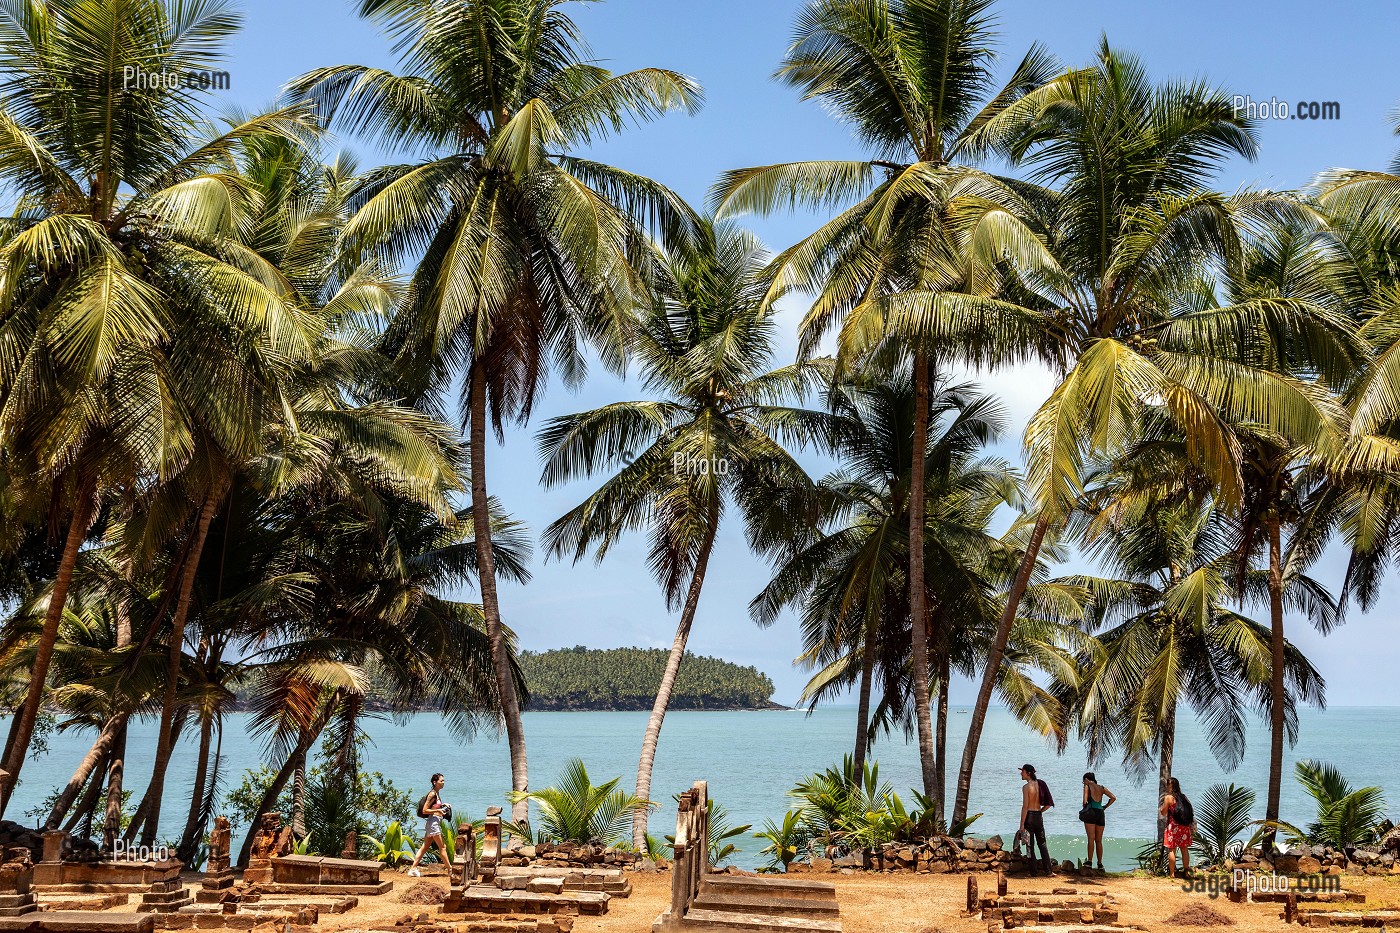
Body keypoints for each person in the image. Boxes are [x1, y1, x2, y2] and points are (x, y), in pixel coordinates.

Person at [408, 773, 453, 877]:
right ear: (435, 782)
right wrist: (439, 810)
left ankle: (412, 869)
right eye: (441, 781)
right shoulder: (432, 794)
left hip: (433, 823)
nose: (443, 783)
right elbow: (425, 810)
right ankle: (450, 870)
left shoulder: (436, 793)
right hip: (433, 823)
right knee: (442, 847)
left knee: (424, 847)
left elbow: (433, 807)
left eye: (443, 781)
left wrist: (443, 805)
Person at [1019, 764, 1053, 875]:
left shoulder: (1026, 787)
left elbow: (1025, 807)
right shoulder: (1041, 784)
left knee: (1030, 845)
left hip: (1029, 816)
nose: (1021, 773)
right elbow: (1048, 804)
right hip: (1038, 816)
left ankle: (1033, 872)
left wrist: (1022, 824)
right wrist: (1040, 812)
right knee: (1042, 844)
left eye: (1022, 771)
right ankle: (1049, 871)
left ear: (1028, 773)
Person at [1160, 776, 1195, 879]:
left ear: (1170, 786)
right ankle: (1186, 872)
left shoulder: (1168, 798)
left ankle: (1172, 874)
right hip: (1184, 827)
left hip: (1173, 827)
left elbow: (1163, 812)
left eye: (1167, 785)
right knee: (1184, 850)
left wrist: (1163, 807)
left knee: (1172, 850)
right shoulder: (1184, 797)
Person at [1080, 771, 1116, 871]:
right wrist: (1105, 807)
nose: (1083, 783)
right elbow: (1113, 798)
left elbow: (1084, 802)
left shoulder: (1087, 786)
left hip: (1091, 812)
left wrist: (1085, 807)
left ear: (1086, 779)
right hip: (1100, 813)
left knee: (1091, 838)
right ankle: (1100, 864)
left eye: (1083, 781)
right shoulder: (1102, 787)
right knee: (1099, 840)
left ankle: (1089, 861)